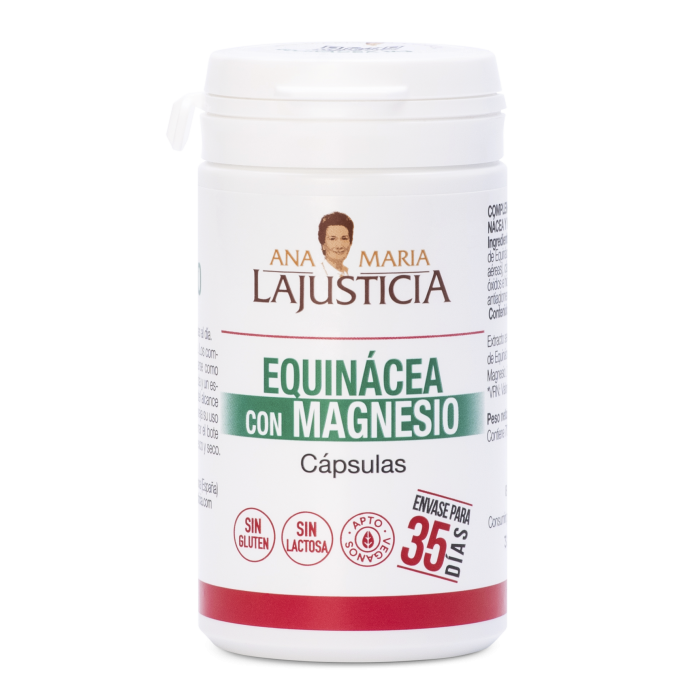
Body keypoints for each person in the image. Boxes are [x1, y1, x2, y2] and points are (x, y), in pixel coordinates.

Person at [318, 212, 354, 277]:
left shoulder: (350, 272)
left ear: (350, 242)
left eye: (344, 238)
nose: (339, 246)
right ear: (323, 244)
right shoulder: (318, 271)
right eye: (332, 239)